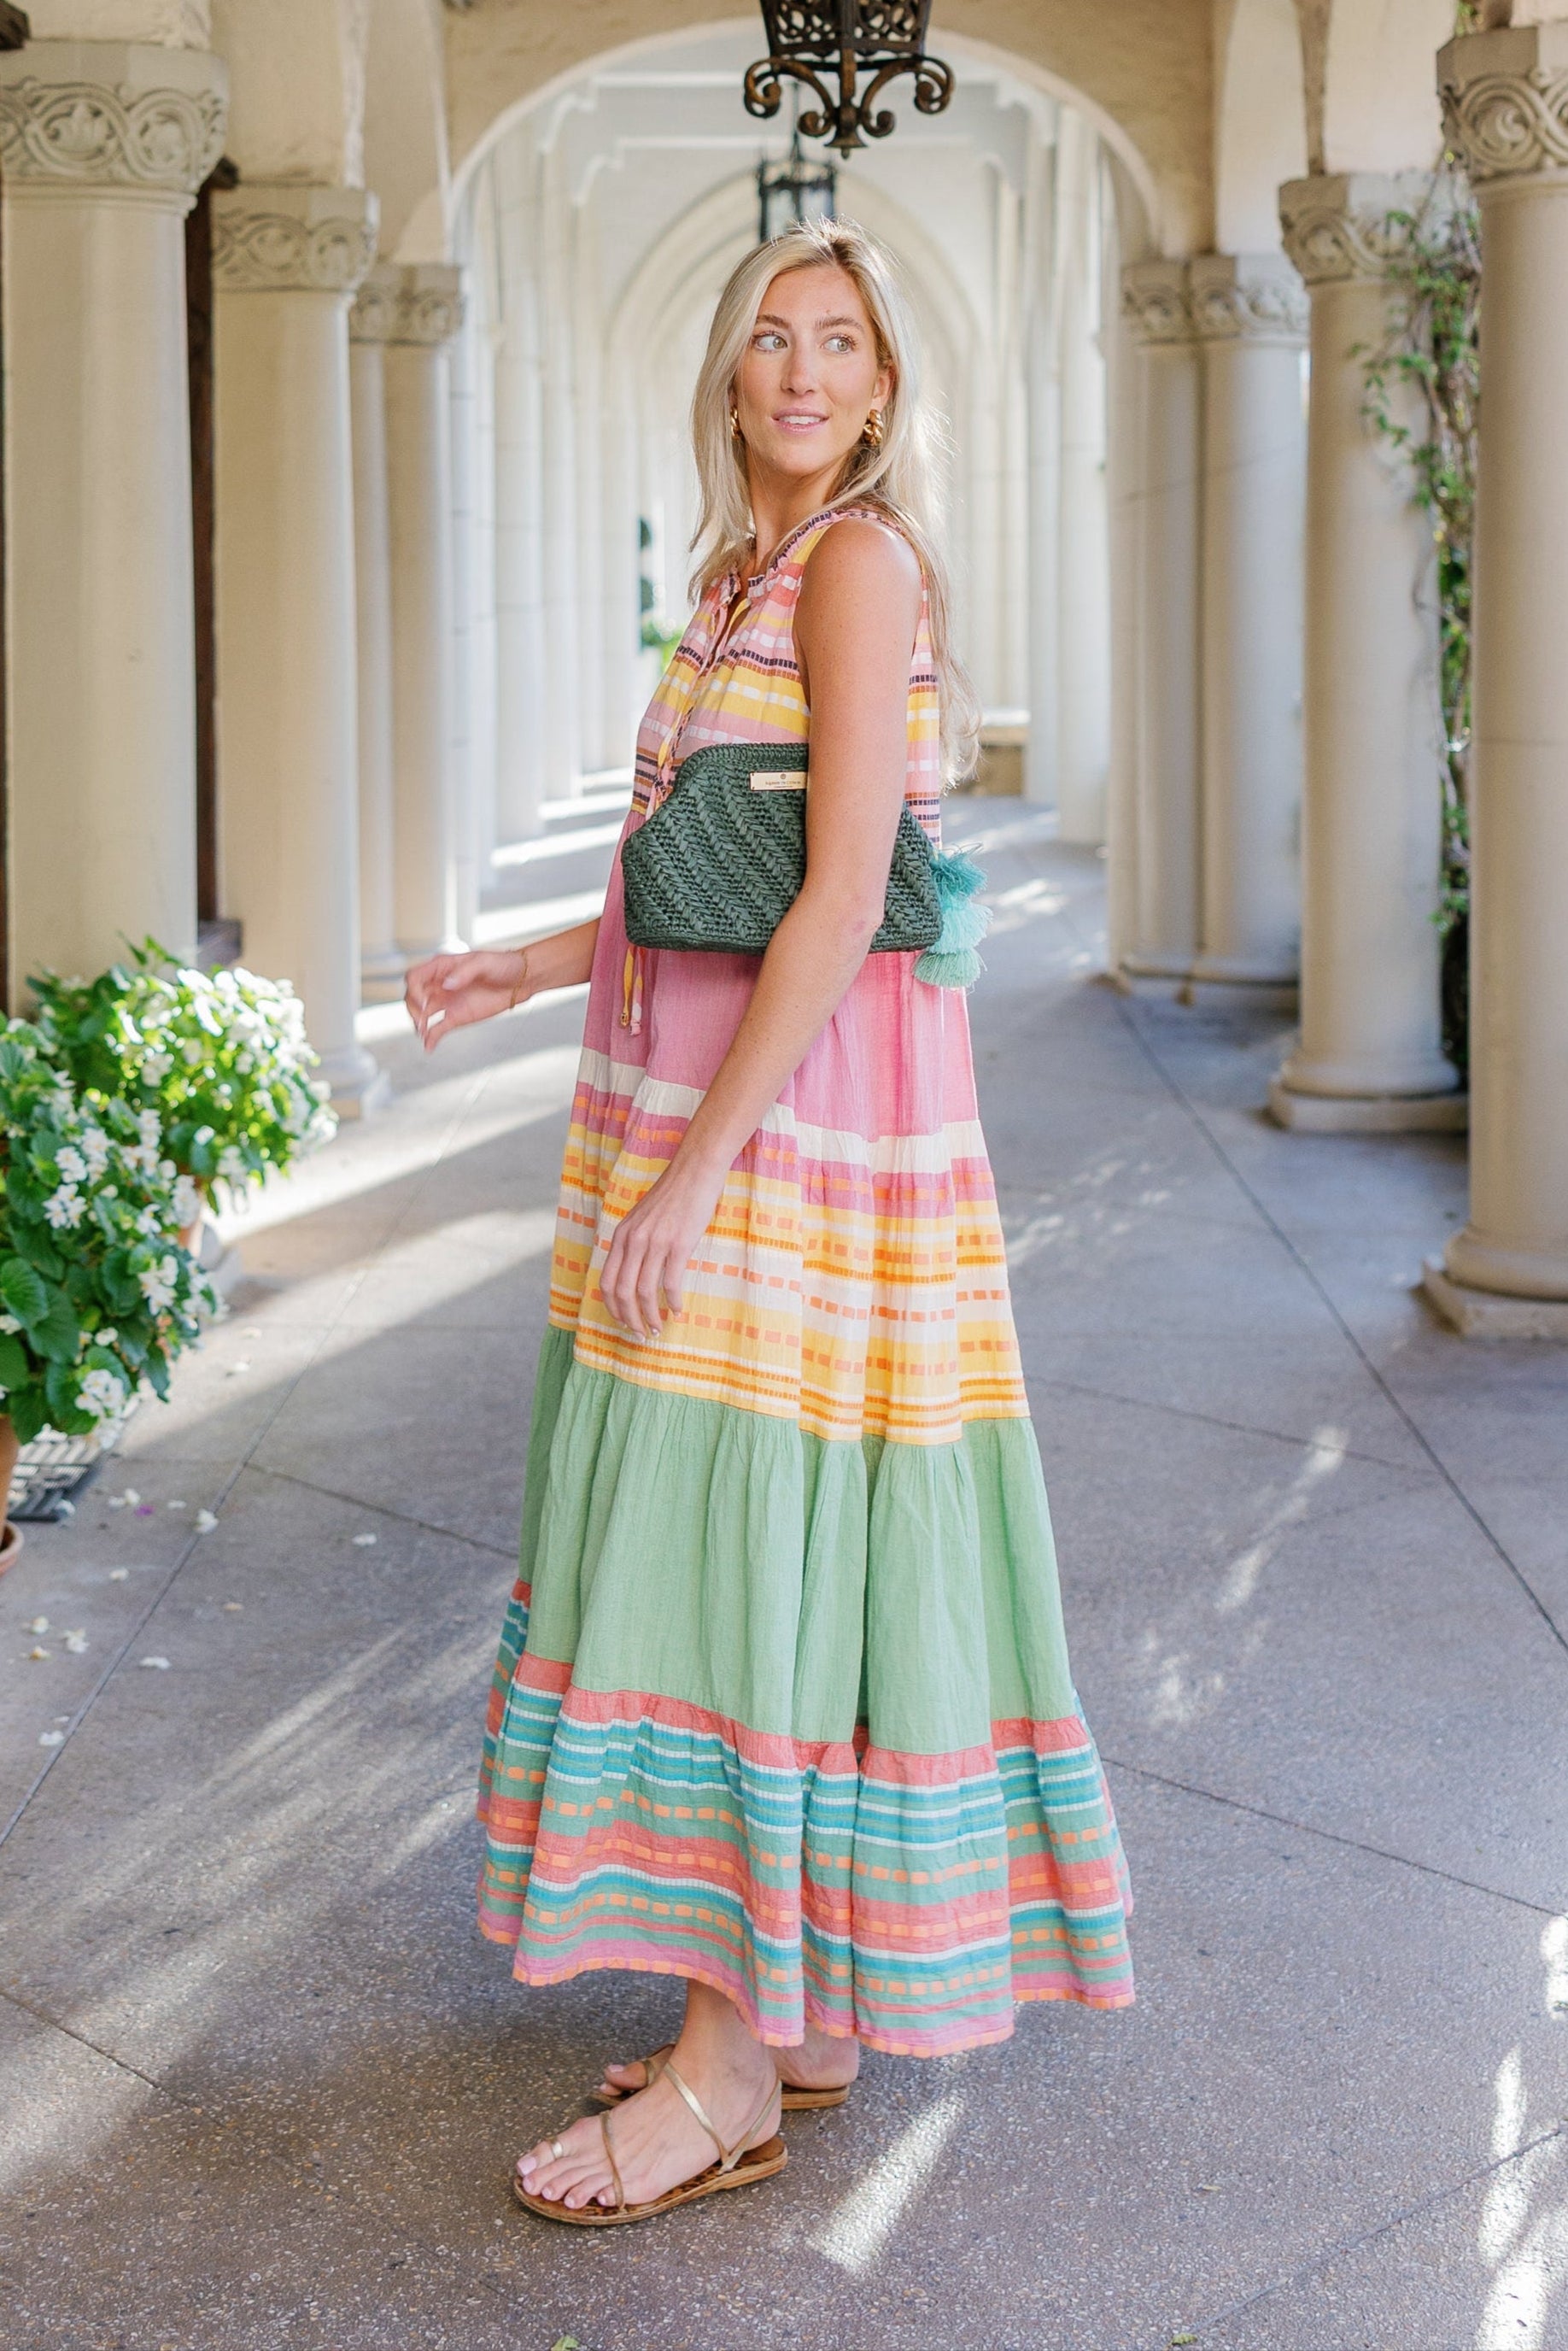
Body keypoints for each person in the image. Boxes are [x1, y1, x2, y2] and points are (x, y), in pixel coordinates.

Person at [406, 216, 1132, 2230]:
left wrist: (702, 1165)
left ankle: (727, 2067)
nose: (802, 372)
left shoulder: (857, 562)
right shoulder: (737, 577)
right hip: (708, 1098)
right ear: (731, 374)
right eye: (770, 340)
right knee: (761, 1529)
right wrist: (527, 963)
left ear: (885, 388)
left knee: (740, 1544)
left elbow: (833, 900)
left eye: (840, 344)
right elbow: (706, 870)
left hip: (796, 1142)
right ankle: (792, 2015)